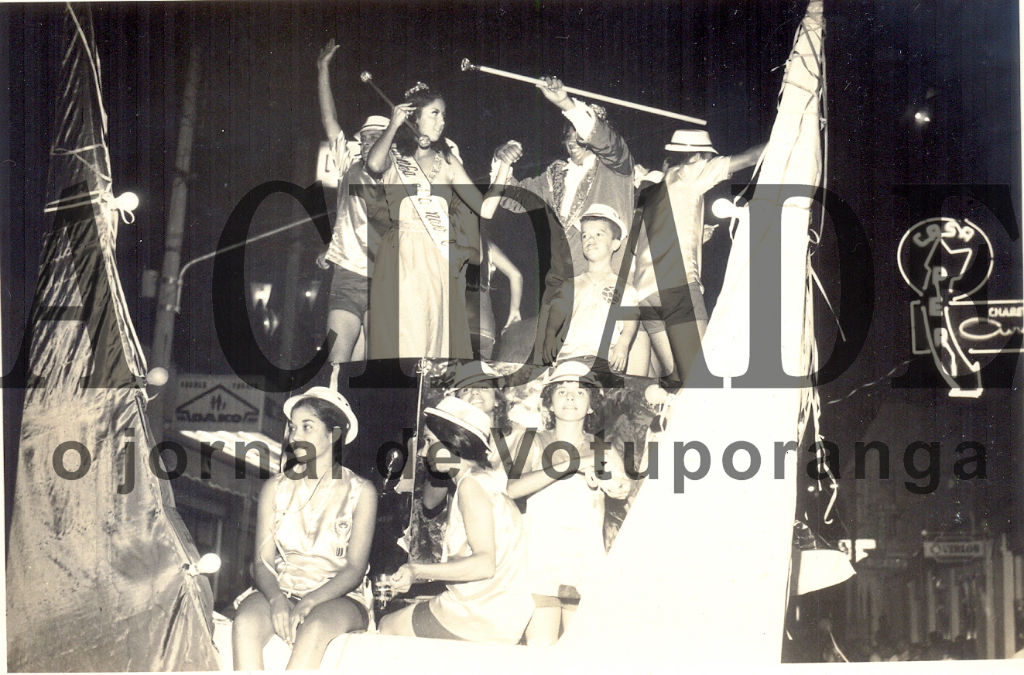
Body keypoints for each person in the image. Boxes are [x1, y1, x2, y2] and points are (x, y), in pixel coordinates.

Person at [231, 388, 378, 670]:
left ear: (333, 434)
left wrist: (310, 601)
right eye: (292, 427)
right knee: (245, 622)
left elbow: (354, 570)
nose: (294, 436)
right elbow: (262, 562)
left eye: (306, 427)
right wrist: (275, 600)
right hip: (282, 588)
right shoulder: (275, 488)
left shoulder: (361, 491)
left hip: (340, 597)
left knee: (313, 629)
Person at [491, 77, 634, 361]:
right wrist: (501, 162)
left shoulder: (616, 169)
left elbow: (607, 143)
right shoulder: (555, 176)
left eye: (581, 134)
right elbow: (512, 197)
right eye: (569, 134)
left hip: (607, 285)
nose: (573, 141)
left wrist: (566, 104)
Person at [365, 82, 511, 360]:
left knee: (435, 335)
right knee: (403, 334)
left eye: (443, 115)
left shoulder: (447, 159)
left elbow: (486, 209)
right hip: (401, 253)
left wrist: (504, 167)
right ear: (413, 117)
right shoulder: (394, 155)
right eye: (434, 113)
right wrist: (393, 126)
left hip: (438, 254)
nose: (441, 121)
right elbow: (373, 164)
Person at [379, 397, 533, 644]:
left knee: (387, 627)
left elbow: (484, 564)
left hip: (482, 613)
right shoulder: (481, 481)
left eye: (429, 441)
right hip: (498, 610)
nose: (421, 451)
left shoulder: (470, 486)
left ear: (453, 442)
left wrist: (416, 569)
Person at [505, 361, 630, 645]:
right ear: (549, 403)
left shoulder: (605, 450)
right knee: (541, 655)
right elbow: (512, 489)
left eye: (580, 392)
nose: (570, 397)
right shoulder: (531, 442)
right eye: (561, 391)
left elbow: (622, 491)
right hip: (538, 565)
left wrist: (621, 488)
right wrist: (577, 463)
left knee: (581, 658)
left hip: (585, 566)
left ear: (590, 405)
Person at [630, 129, 765, 385]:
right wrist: (791, 133)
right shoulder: (689, 173)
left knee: (679, 385)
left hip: (645, 295)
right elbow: (750, 158)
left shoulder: (649, 193)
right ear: (697, 157)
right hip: (676, 285)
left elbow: (639, 247)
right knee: (699, 383)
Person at [314, 40, 391, 371]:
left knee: (371, 366)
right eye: (367, 136)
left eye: (380, 135)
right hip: (347, 275)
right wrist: (322, 70)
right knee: (337, 364)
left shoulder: (403, 170)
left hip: (388, 277)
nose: (372, 139)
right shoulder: (351, 165)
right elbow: (330, 121)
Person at [542, 204, 640, 373]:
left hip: (605, 362)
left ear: (615, 244)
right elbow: (556, 315)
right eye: (585, 235)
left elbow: (630, 322)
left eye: (599, 234)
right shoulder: (569, 285)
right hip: (568, 359)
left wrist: (623, 346)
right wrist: (549, 337)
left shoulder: (626, 290)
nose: (590, 240)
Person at [466, 239, 523, 360]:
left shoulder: (445, 239)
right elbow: (516, 275)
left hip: (458, 325)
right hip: (485, 330)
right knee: (478, 376)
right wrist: (515, 311)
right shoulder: (487, 245)